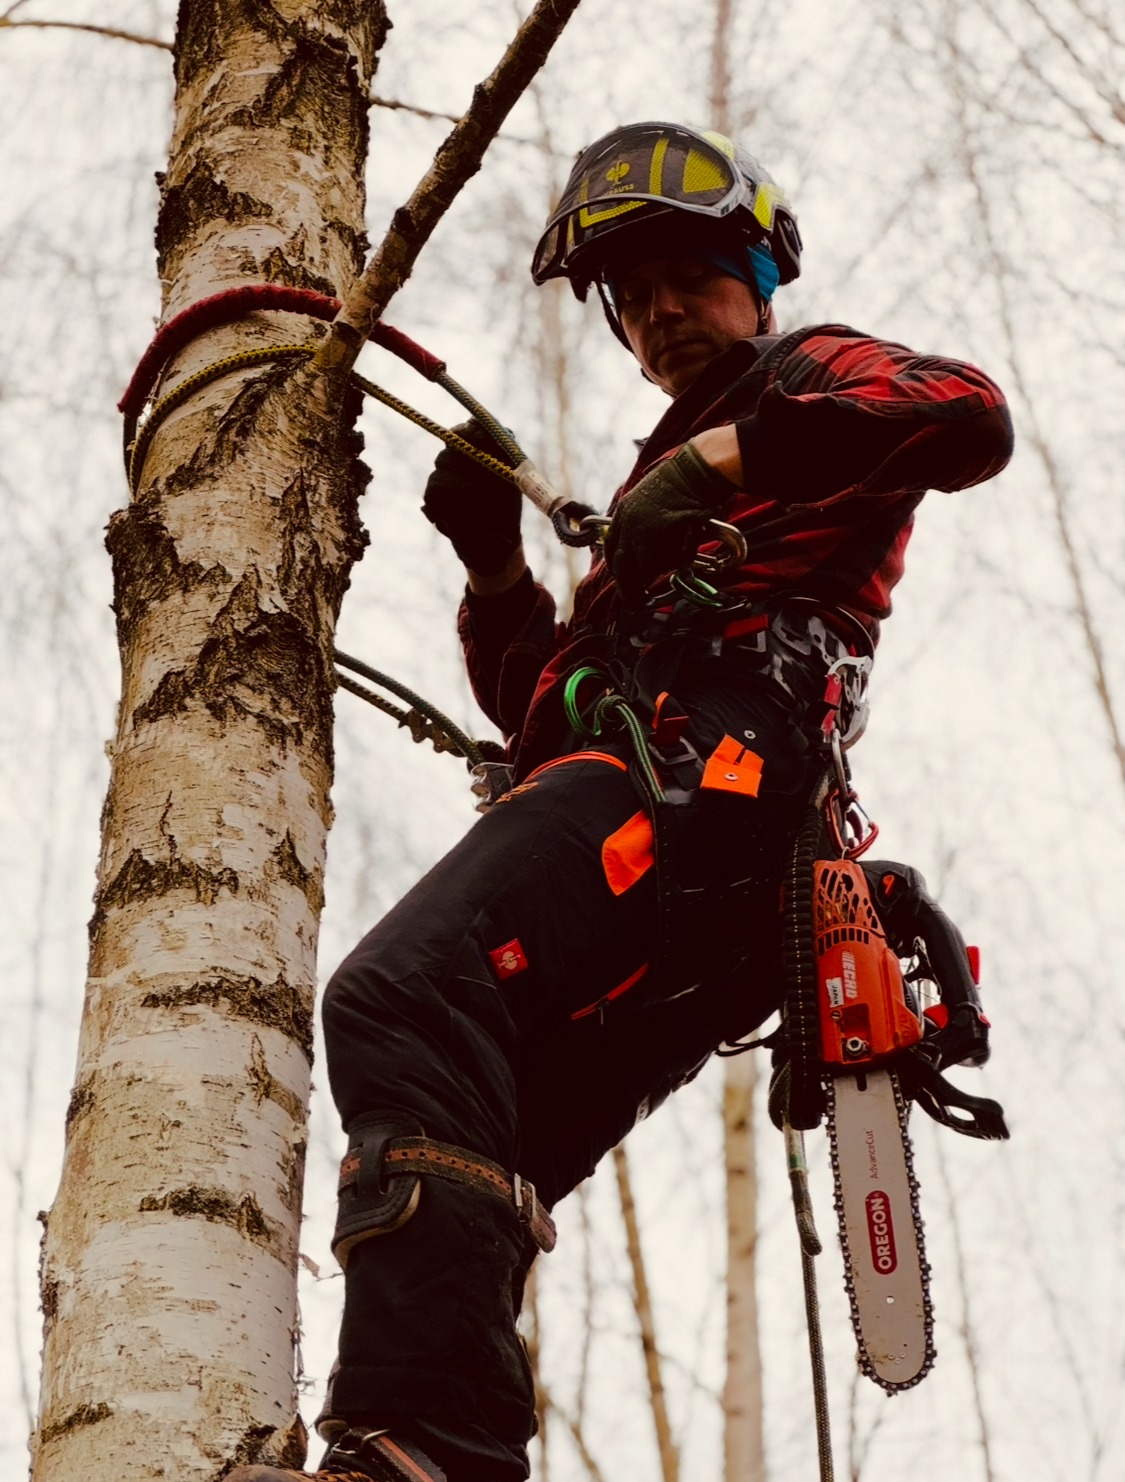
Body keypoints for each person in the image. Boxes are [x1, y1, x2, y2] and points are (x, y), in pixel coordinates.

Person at [234, 122, 1013, 1482]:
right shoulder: (652, 513)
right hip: (684, 871)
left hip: (709, 797)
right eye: (630, 295)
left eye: (686, 277)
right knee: (469, 1116)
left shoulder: (803, 386)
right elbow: (548, 711)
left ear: (754, 276)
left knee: (400, 1000)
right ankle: (422, 1449)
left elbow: (966, 414)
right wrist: (493, 569)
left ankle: (425, 1447)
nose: (658, 312)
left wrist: (716, 468)